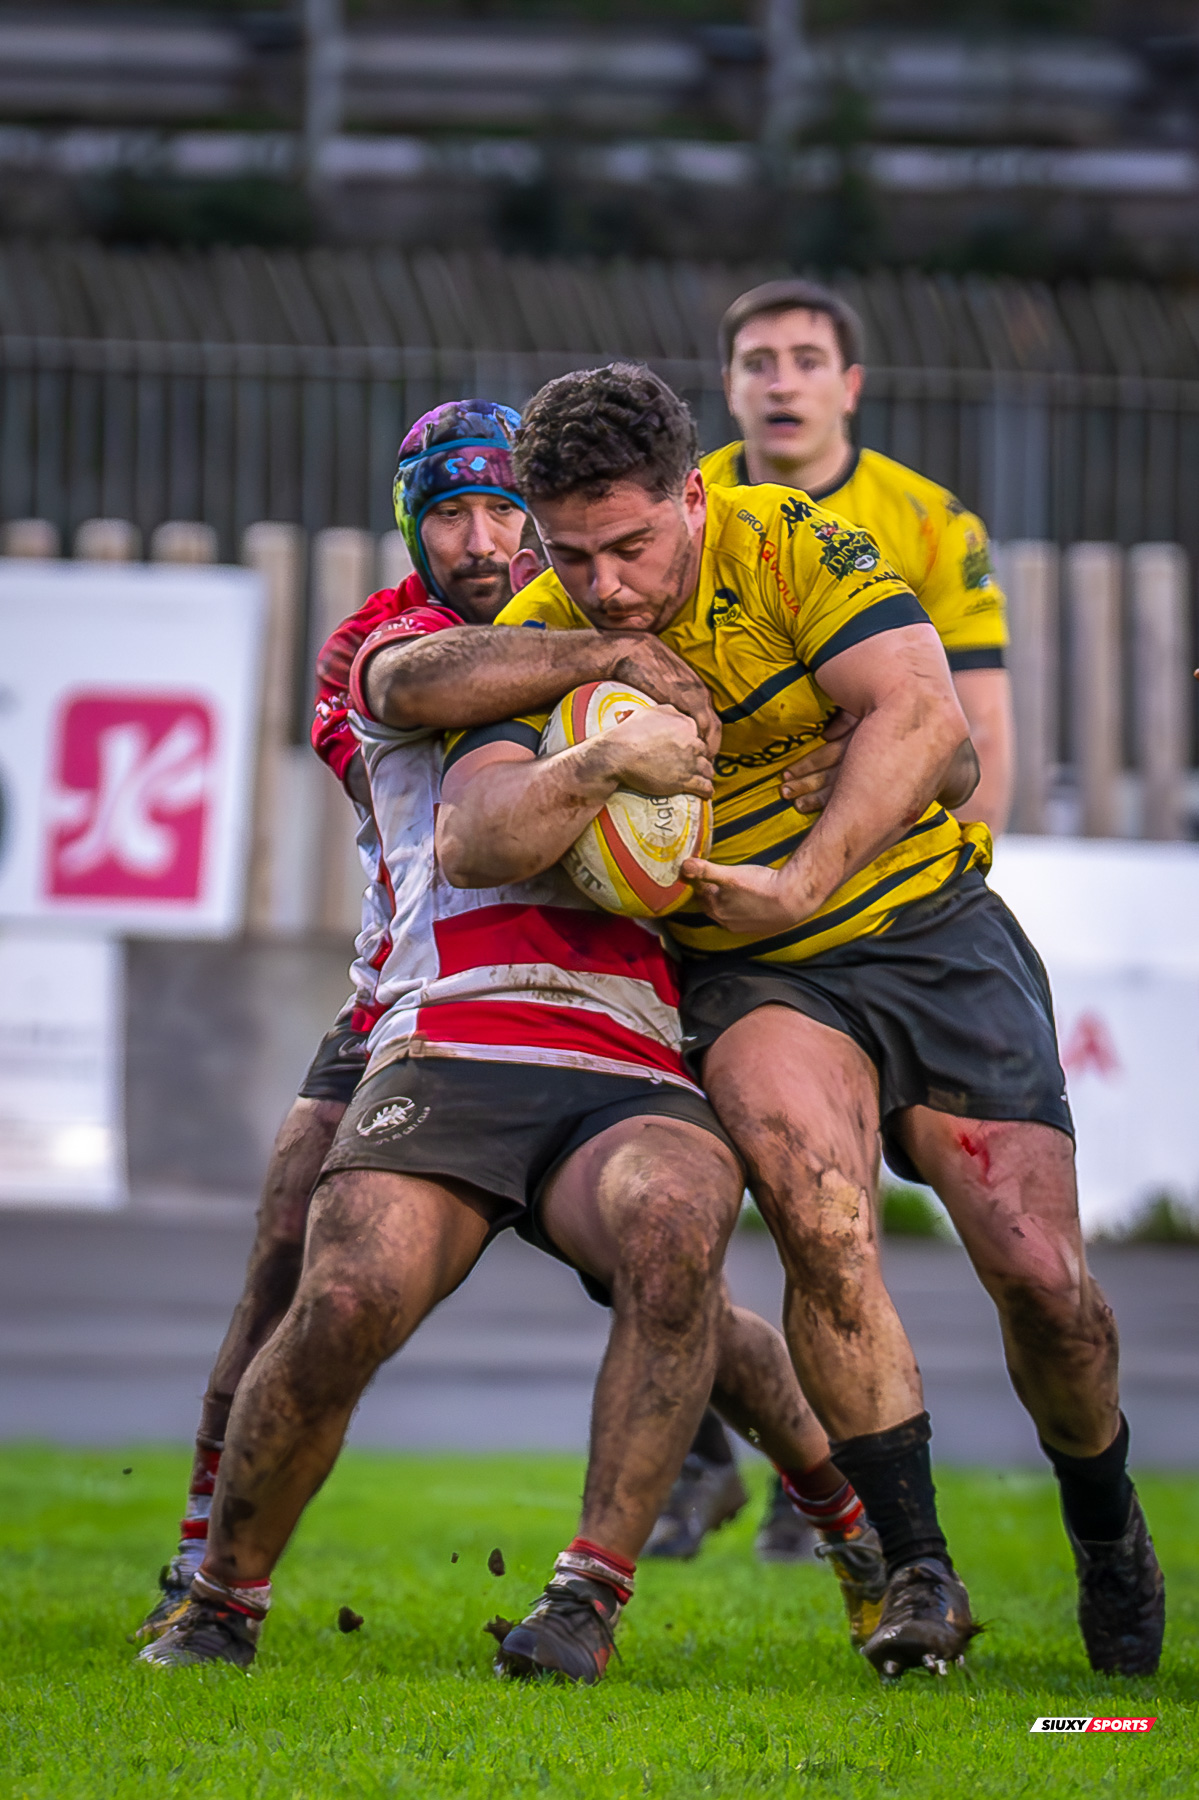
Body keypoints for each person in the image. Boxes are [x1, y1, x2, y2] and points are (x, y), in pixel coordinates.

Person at [417, 361, 1163, 1681]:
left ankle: (1104, 1532)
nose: (605, 581)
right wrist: (592, 723)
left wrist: (806, 872)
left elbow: (929, 719)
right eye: (573, 554)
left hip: (926, 928)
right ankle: (918, 1571)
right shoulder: (552, 627)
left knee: (1046, 1288)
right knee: (820, 1224)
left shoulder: (783, 541)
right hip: (758, 981)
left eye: (631, 545)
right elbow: (466, 828)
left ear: (690, 496)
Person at [138, 403, 884, 1681]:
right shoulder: (405, 638)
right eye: (449, 513)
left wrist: (824, 755)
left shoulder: (643, 618)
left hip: (616, 1027)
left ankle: (850, 1537)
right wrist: (605, 665)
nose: (481, 541)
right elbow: (416, 691)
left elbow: (888, 735)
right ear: (410, 524)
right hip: (408, 1006)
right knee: (298, 1262)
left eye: (503, 515)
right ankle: (210, 1568)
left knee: (684, 1273)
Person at [663, 275, 1017, 1563]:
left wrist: (930, 878)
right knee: (695, 1202)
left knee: (856, 1228)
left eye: (805, 357)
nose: (779, 379)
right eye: (756, 359)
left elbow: (970, 734)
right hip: (720, 924)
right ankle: (710, 1460)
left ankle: (816, 1498)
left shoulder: (927, 521)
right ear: (731, 385)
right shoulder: (673, 511)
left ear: (847, 385)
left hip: (903, 916)